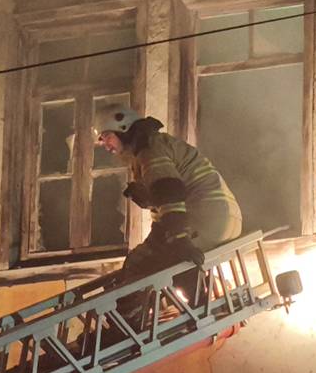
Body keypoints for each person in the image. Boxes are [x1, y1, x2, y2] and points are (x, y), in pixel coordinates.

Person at [93, 104, 242, 287]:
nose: (106, 145)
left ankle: (196, 301)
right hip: (220, 217)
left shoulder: (149, 149)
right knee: (140, 261)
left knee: (164, 264)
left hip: (205, 218)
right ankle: (195, 297)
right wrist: (151, 199)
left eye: (107, 136)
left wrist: (179, 238)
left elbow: (169, 190)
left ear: (123, 128)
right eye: (102, 140)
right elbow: (167, 199)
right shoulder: (151, 146)